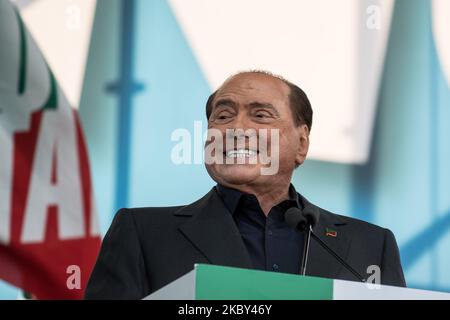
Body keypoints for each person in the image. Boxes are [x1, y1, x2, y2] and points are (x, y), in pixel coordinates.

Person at [85, 71, 406, 299]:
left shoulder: (370, 245)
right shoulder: (143, 233)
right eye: (223, 117)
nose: (237, 128)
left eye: (261, 116)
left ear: (302, 143)